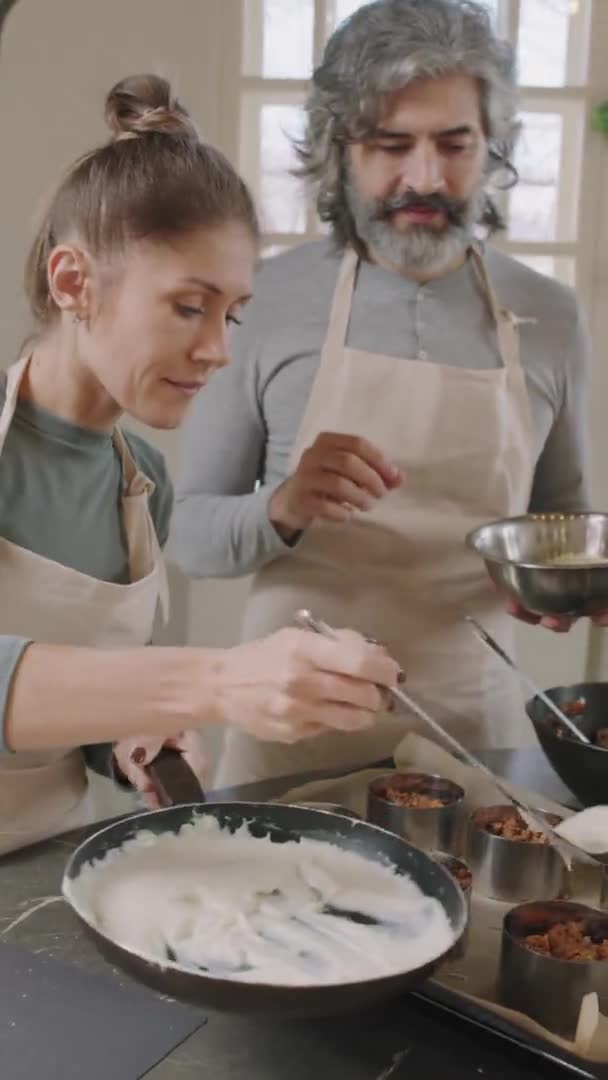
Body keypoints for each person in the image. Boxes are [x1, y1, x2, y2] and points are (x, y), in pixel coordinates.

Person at [173, 0, 594, 787]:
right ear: (340, 150)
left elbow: (556, 527)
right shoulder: (266, 299)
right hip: (293, 716)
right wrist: (285, 505)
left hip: (474, 729)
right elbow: (190, 536)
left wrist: (566, 590)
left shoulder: (550, 319)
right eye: (392, 145)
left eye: (454, 144)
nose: (425, 178)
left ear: (491, 147)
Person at [0, 74, 400, 855]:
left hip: (46, 872)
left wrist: (130, 738)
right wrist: (219, 682)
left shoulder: (139, 483)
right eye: (190, 307)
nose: (218, 349)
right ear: (74, 282)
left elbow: (85, 698)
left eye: (233, 315)